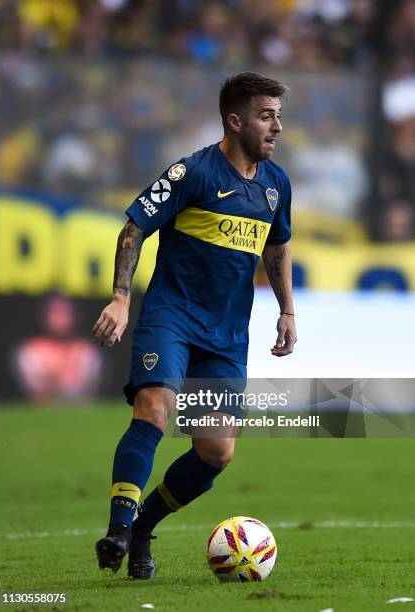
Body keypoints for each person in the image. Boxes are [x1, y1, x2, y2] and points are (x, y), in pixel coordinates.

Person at [92, 72, 297, 579]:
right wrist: (121, 298)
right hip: (172, 319)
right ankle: (118, 529)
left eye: (278, 117)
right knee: (154, 408)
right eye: (265, 116)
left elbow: (277, 245)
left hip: (226, 336)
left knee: (215, 452)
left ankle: (143, 527)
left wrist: (287, 310)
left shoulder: (275, 185)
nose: (276, 127)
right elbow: (135, 226)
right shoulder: (193, 174)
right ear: (235, 120)